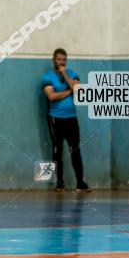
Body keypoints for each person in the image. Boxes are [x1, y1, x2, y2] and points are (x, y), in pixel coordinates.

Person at [41, 48, 90, 192]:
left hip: (71, 118)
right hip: (55, 118)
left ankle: (80, 182)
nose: (61, 62)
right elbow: (51, 97)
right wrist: (70, 90)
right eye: (58, 59)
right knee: (57, 150)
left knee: (75, 150)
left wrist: (65, 75)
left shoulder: (73, 74)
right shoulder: (47, 77)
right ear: (53, 60)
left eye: (63, 60)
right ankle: (60, 183)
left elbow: (79, 91)